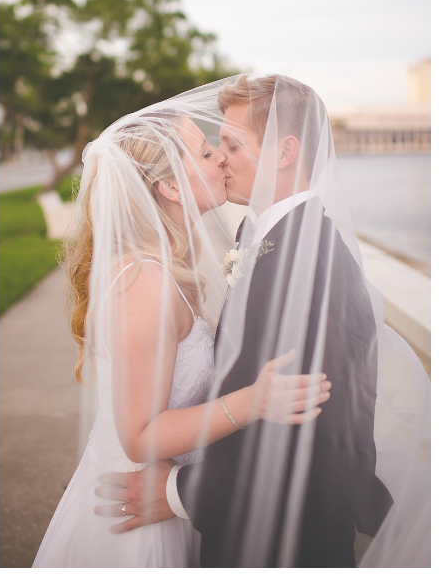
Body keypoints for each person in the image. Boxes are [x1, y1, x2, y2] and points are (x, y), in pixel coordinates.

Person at [89, 74, 430, 567]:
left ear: (284, 151)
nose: (221, 157)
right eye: (215, 146)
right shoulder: (264, 240)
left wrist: (181, 491)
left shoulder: (311, 267)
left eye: (231, 144)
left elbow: (313, 445)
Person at [33, 108, 331, 567]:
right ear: (170, 187)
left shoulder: (171, 268)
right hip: (138, 511)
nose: (222, 161)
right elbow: (138, 437)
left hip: (173, 498)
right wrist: (253, 402)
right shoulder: (145, 282)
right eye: (208, 152)